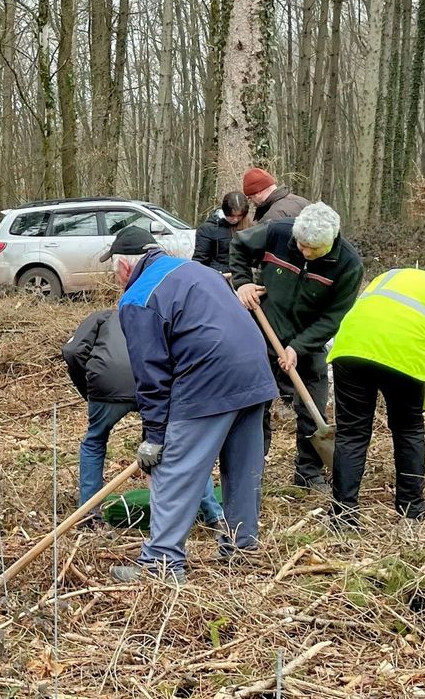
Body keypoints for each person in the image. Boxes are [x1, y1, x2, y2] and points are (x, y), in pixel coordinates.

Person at [108, 227, 278, 583]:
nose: (114, 277)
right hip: (255, 372)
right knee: (243, 469)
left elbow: (151, 376)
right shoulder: (198, 271)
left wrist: (155, 436)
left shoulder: (138, 297)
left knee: (175, 471)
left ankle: (161, 565)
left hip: (208, 378)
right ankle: (241, 551)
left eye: (112, 269)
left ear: (124, 265)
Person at [326, 264, 425, 526]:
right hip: (403, 359)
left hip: (349, 349)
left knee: (352, 432)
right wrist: (424, 401)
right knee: (408, 430)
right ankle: (410, 510)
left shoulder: (395, 274)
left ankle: (343, 514)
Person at [229, 202, 364, 492]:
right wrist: (242, 283)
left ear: (330, 241)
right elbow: (238, 246)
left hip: (308, 341)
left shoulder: (348, 265)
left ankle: (308, 473)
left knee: (312, 407)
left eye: (312, 249)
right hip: (262, 333)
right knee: (255, 405)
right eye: (301, 245)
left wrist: (298, 348)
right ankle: (251, 471)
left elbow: (334, 317)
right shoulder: (278, 233)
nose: (304, 252)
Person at [62, 305, 226, 533]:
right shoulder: (158, 316)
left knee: (95, 441)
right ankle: (215, 516)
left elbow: (72, 351)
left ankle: (89, 516)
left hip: (106, 382)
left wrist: (89, 390)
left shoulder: (102, 316)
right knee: (176, 447)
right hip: (152, 382)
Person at [193, 191, 247, 273]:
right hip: (217, 275)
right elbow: (200, 260)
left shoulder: (247, 224)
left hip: (241, 274)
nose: (235, 219)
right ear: (225, 211)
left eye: (239, 216)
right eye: (232, 216)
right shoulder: (208, 229)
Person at [242, 167, 309, 223]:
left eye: (250, 197)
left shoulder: (270, 219)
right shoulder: (304, 202)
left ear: (258, 193)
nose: (252, 201)